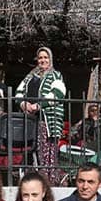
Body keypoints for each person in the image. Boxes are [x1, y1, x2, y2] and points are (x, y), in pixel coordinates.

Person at [16, 46, 67, 184]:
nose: (42, 60)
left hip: (47, 119)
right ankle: (34, 178)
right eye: (40, 58)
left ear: (50, 60)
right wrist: (23, 104)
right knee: (32, 149)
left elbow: (58, 93)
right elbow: (19, 92)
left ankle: (49, 180)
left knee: (47, 150)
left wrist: (39, 105)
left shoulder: (55, 75)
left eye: (45, 57)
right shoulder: (30, 77)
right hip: (31, 119)